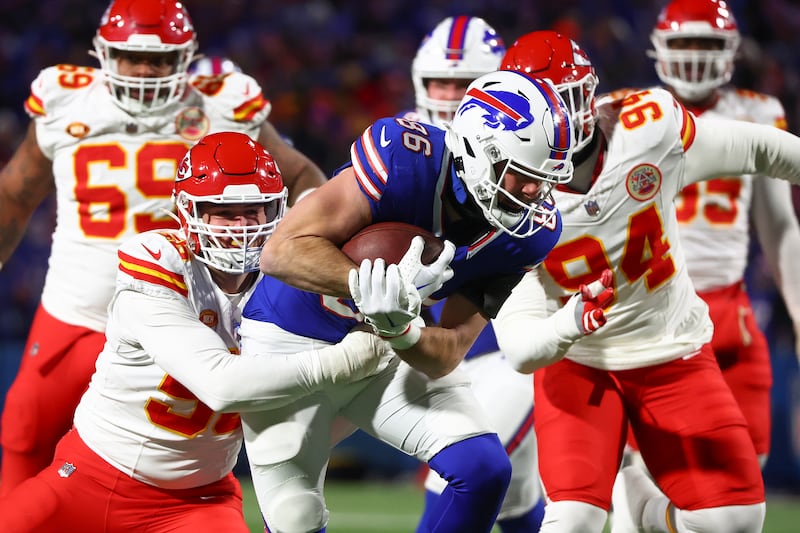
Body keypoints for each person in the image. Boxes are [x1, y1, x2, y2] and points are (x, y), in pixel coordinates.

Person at [237, 70, 611, 533]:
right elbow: (281, 250)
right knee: (296, 515)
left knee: (483, 469)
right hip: (289, 335)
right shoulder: (405, 159)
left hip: (381, 349)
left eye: (544, 180)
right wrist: (367, 285)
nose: (535, 195)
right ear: (476, 151)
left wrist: (400, 325)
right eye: (522, 177)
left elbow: (448, 352)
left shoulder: (530, 233)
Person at [0, 0, 326, 494]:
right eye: (131, 56)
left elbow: (299, 175)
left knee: (169, 455)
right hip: (75, 309)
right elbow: (15, 193)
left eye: (162, 58)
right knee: (25, 434)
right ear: (104, 54)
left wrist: (297, 255)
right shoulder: (68, 103)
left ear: (188, 56)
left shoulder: (220, 105)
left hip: (182, 313)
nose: (146, 69)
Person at [0, 132, 389, 533]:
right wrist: (346, 361)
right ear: (190, 213)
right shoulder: (161, 264)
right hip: (86, 476)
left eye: (255, 209)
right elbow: (220, 384)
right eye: (225, 212)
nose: (242, 226)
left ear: (279, 209)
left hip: (196, 501)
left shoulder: (293, 284)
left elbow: (327, 413)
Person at [495, 29, 800, 532]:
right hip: (579, 362)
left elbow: (754, 147)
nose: (566, 118)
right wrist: (567, 323)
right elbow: (521, 347)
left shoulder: (649, 127)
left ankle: (644, 508)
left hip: (669, 350)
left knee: (738, 520)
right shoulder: (504, 184)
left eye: (571, 98)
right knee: (573, 521)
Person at [403, 15, 546, 533]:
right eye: (438, 82)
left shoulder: (535, 152)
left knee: (458, 478)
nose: (448, 95)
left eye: (462, 84)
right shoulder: (405, 148)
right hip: (427, 338)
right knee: (517, 495)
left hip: (508, 345)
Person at [648, 0, 800, 468]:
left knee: (743, 481)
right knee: (649, 475)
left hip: (731, 308)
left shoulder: (758, 111)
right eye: (684, 43)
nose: (695, 54)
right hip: (655, 310)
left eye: (707, 43)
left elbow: (779, 226)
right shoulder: (635, 114)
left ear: (731, 50)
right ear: (660, 49)